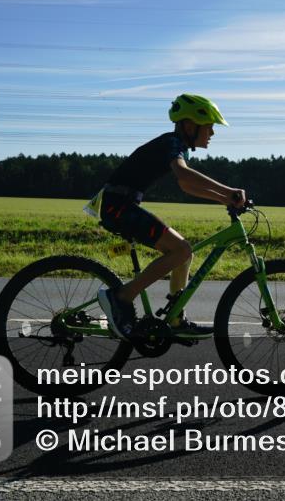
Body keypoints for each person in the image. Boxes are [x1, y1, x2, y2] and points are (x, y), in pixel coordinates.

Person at [90, 94, 246, 342]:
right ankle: (120, 298)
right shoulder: (171, 143)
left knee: (185, 252)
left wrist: (224, 199)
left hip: (120, 205)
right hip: (118, 207)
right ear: (190, 125)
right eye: (209, 127)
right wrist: (229, 191)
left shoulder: (176, 145)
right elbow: (184, 175)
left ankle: (175, 320)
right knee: (181, 250)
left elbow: (186, 186)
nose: (212, 134)